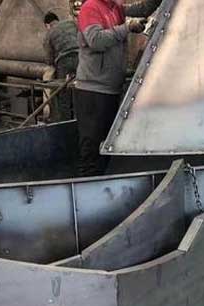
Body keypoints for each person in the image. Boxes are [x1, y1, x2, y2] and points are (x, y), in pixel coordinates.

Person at [75, 0, 162, 176]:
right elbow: (96, 40)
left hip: (110, 88)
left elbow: (143, 9)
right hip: (93, 90)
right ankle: (88, 181)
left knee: (107, 143)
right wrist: (126, 28)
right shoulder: (91, 7)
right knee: (92, 145)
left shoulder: (115, 8)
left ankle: (101, 179)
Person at [43, 12, 79, 121]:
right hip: (80, 58)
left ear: (47, 25)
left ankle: (65, 123)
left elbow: (49, 59)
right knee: (79, 90)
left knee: (64, 94)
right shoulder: (71, 23)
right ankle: (79, 121)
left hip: (64, 62)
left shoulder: (49, 34)